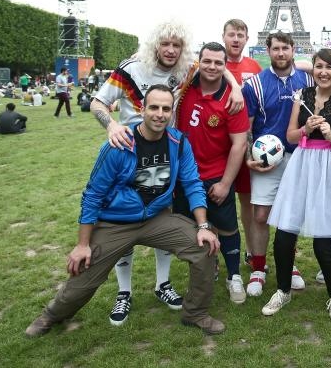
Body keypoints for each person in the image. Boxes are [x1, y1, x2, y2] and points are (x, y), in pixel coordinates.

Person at [25, 85, 225, 337]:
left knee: (205, 247)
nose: (160, 114)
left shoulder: (178, 142)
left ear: (172, 113)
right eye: (153, 107)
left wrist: (204, 227)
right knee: (83, 276)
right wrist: (82, 244)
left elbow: (193, 184)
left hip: (156, 218)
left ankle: (195, 313)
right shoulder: (118, 145)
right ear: (142, 110)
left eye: (166, 108)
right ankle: (51, 315)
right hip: (115, 223)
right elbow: (93, 196)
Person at [90, 20, 244, 325]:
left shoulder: (186, 67)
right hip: (129, 152)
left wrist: (236, 86)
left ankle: (163, 284)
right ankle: (124, 292)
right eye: (166, 44)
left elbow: (213, 62)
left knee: (162, 215)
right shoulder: (131, 68)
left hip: (167, 155)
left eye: (176, 44)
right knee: (123, 218)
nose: (171, 50)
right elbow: (98, 101)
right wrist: (111, 124)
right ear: (155, 45)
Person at [262, 49, 331, 321]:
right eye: (318, 66)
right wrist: (306, 130)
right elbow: (290, 136)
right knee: (285, 234)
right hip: (303, 165)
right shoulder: (303, 97)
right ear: (313, 69)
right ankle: (283, 290)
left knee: (323, 240)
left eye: (329, 68)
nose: (323, 72)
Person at [242, 30, 314, 297]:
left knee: (290, 216)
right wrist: (251, 155)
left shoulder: (308, 79)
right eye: (276, 49)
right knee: (261, 215)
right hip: (267, 159)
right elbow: (247, 127)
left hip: (299, 156)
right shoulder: (254, 85)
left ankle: (290, 263)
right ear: (268, 51)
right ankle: (259, 268)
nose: (281, 53)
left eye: (285, 48)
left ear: (293, 49)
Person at [177, 42, 250, 304]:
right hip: (184, 177)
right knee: (192, 229)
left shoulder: (232, 99)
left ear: (225, 66)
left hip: (216, 177)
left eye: (219, 63)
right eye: (207, 61)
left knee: (228, 228)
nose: (212, 67)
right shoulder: (185, 86)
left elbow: (239, 144)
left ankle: (234, 276)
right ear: (199, 62)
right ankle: (205, 272)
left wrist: (225, 183)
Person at [222, 19, 263, 266]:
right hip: (220, 142)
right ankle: (217, 254)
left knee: (247, 200)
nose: (236, 39)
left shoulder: (254, 66)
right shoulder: (214, 63)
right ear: (223, 37)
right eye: (231, 34)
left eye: (240, 34)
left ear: (247, 39)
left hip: (246, 141)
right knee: (219, 199)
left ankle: (250, 248)